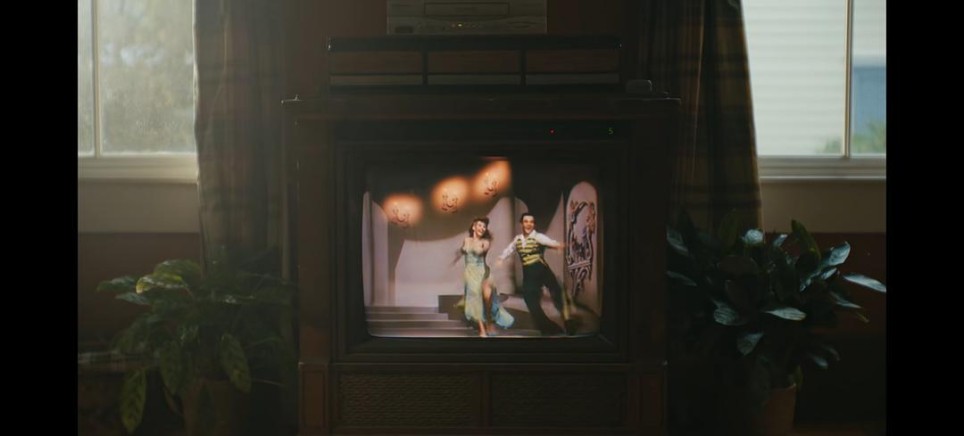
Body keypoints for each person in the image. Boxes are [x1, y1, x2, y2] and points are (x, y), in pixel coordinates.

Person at [497, 212, 573, 336]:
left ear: (534, 224)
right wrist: (501, 258)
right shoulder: (518, 239)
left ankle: (568, 321)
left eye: (531, 222)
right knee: (530, 300)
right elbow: (509, 249)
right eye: (526, 221)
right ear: (521, 224)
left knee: (557, 293)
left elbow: (550, 242)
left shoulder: (538, 237)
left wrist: (557, 245)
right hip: (528, 272)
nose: (529, 224)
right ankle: (549, 327)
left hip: (541, 269)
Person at [457, 217, 514, 337]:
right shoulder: (466, 240)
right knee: (476, 301)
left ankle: (489, 323)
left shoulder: (486, 242)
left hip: (483, 272)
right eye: (479, 225)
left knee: (488, 299)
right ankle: (482, 330)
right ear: (474, 227)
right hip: (471, 273)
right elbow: (463, 251)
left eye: (484, 226)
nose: (482, 228)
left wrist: (472, 243)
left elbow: (479, 251)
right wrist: (463, 248)